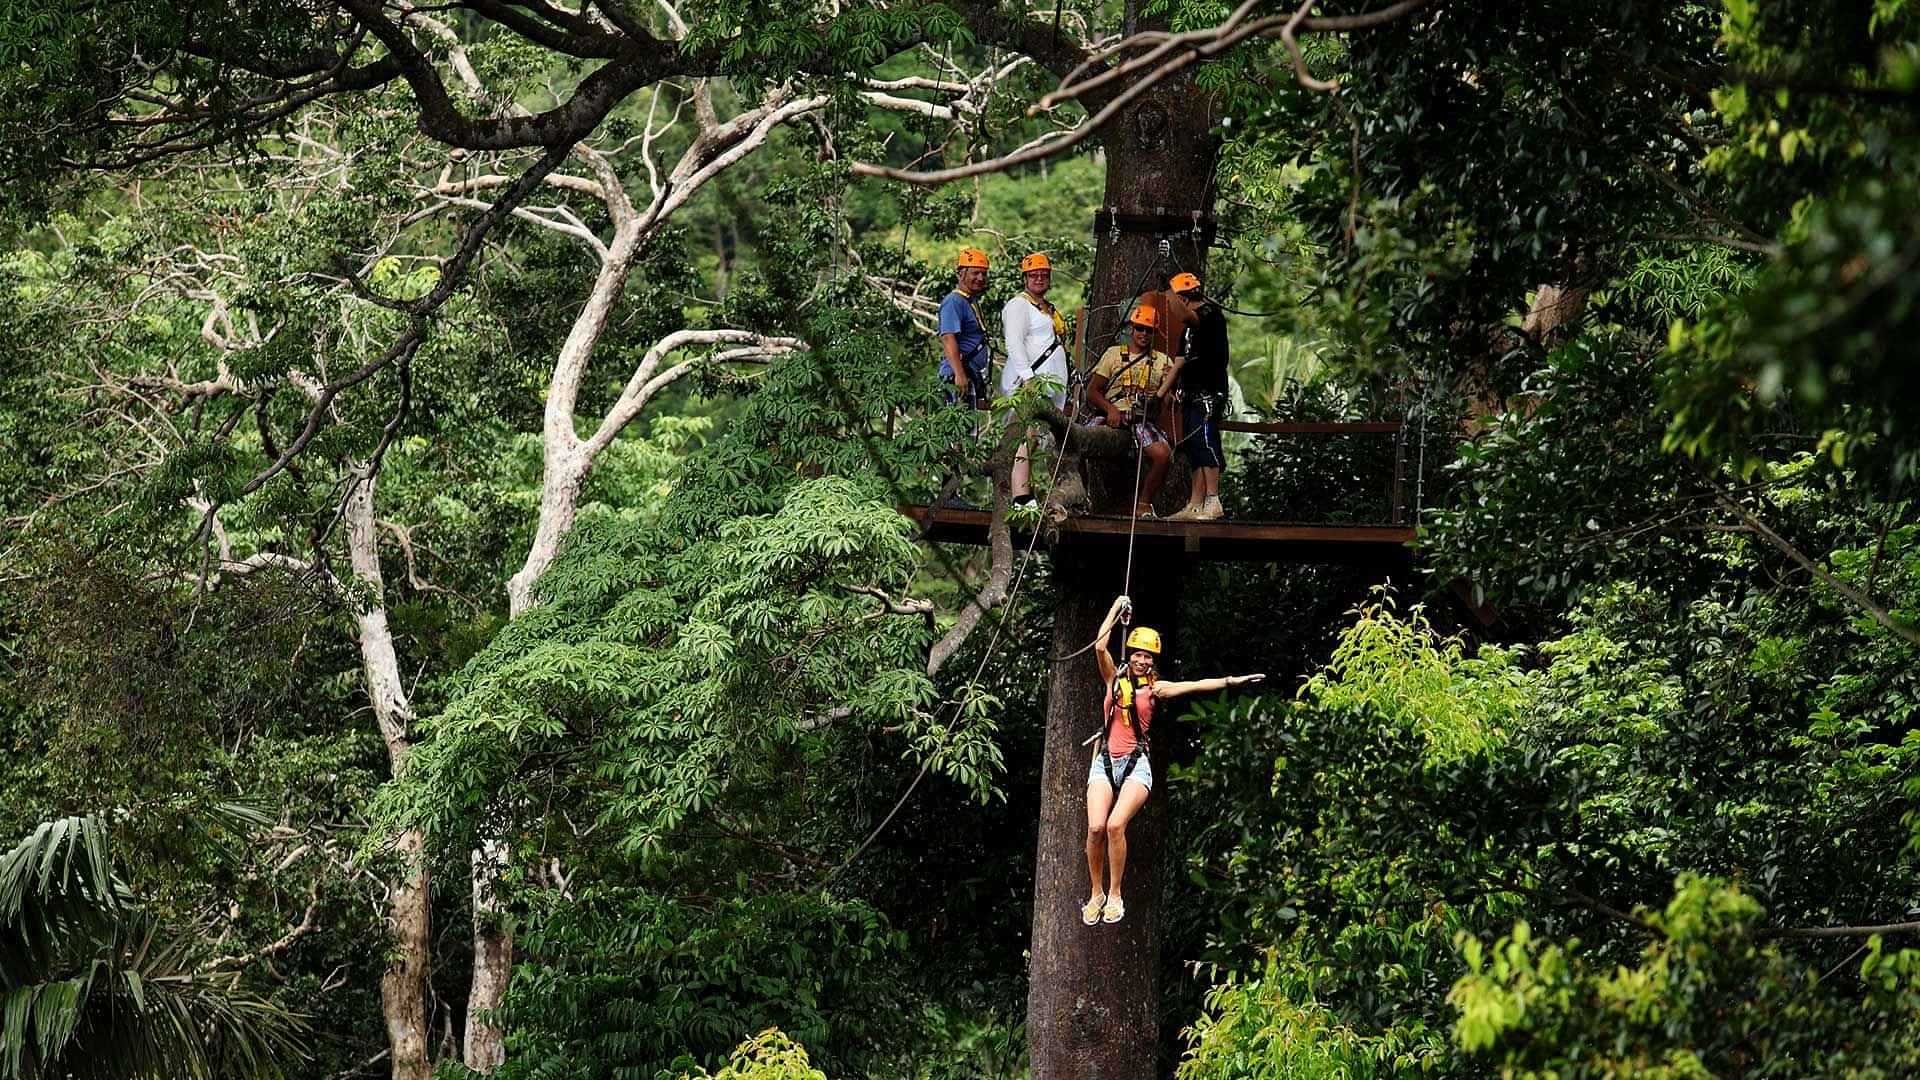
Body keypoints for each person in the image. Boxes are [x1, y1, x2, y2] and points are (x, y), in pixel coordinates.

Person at [1081, 594, 1265, 926]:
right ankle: (1096, 893)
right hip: (1106, 762)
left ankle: (1116, 893)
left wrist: (1231, 681)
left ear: (1153, 661)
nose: (1141, 660)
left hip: (1136, 764)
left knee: (1114, 825)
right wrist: (1116, 607)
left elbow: (1194, 686)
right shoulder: (1113, 678)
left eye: (1148, 656)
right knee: (1095, 828)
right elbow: (1098, 647)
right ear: (1130, 655)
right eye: (1137, 654)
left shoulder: (1156, 690)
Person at [1086, 305, 1175, 519]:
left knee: (1163, 455)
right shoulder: (1114, 354)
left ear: (1154, 333)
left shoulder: (1163, 361)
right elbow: (1092, 391)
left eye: (1149, 330)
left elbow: (1170, 400)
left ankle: (1143, 504)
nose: (1144, 334)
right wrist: (1111, 410)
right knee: (1077, 442)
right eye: (1140, 329)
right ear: (1132, 329)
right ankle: (1082, 497)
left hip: (1141, 418)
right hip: (1112, 413)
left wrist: (1169, 382)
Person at [1001, 252, 1070, 508]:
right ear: (1025, 278)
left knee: (1039, 438)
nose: (1039, 278)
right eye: (1033, 274)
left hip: (1048, 387)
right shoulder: (1019, 305)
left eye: (1043, 274)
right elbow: (1014, 342)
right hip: (1029, 382)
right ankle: (1021, 495)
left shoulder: (1047, 308)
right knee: (1025, 434)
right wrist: (1028, 377)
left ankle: (1032, 490)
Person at [1165, 272, 1231, 521]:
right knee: (1192, 445)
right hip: (1191, 392)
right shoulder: (1188, 332)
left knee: (1206, 440)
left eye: (1176, 299)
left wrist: (1168, 292)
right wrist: (1162, 394)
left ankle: (1213, 499)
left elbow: (1184, 314)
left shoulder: (1209, 315)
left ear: (1184, 298)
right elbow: (1179, 363)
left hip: (1209, 391)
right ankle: (1195, 503)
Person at [938, 247, 993, 411]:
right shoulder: (954, 301)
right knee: (960, 432)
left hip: (970, 374)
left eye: (983, 274)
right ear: (961, 274)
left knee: (970, 432)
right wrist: (960, 374)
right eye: (975, 273)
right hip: (958, 376)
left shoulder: (970, 300)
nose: (980, 278)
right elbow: (948, 338)